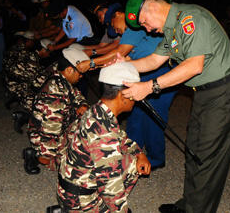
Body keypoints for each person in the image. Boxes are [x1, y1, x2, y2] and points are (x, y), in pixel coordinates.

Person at [120, 0, 230, 213]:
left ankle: (197, 210)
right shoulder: (171, 30)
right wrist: (122, 66)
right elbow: (152, 61)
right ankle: (188, 205)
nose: (147, 30)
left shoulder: (190, 19)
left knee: (207, 159)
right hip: (205, 94)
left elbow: (194, 65)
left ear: (152, 8)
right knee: (194, 152)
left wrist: (149, 87)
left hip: (223, 92)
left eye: (145, 23)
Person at [77, 8, 177, 169]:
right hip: (144, 70)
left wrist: (93, 63)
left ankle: (155, 158)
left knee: (153, 115)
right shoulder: (129, 31)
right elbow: (126, 54)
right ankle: (132, 153)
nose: (116, 31)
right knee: (136, 112)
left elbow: (120, 51)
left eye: (114, 26)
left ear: (119, 14)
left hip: (163, 70)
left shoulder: (135, 26)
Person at [46, 62, 151, 213]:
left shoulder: (97, 109)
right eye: (136, 92)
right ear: (123, 95)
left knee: (133, 162)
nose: (139, 97)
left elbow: (121, 137)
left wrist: (139, 153)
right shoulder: (104, 132)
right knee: (119, 184)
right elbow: (110, 186)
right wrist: (121, 210)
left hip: (70, 187)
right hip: (79, 200)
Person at [24, 47, 90, 174]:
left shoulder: (62, 79)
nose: (81, 76)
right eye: (80, 73)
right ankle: (33, 156)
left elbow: (78, 96)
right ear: (70, 70)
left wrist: (83, 105)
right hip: (46, 135)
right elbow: (50, 131)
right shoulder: (55, 93)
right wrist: (51, 157)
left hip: (58, 126)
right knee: (75, 165)